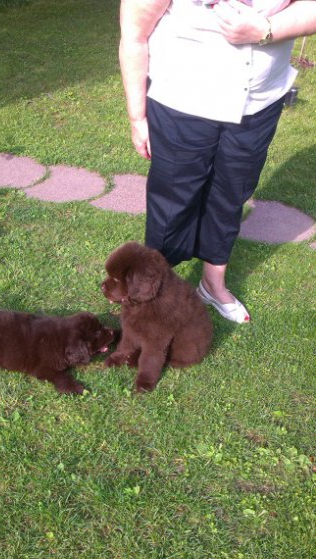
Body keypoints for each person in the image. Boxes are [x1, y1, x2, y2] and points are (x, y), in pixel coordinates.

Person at [119, 0, 316, 322]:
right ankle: (154, 293)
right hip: (180, 101)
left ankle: (212, 284)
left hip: (260, 102)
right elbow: (134, 36)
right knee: (173, 202)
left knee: (230, 196)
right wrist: (137, 117)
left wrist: (267, 30)